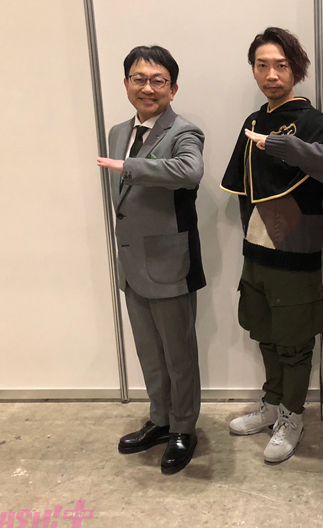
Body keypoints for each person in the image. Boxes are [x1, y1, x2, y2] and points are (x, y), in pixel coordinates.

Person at [221, 27, 323, 464]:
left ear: (296, 69)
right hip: (256, 250)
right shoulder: (253, 121)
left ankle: (293, 415)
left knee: (295, 340)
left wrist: (284, 146)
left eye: (281, 65)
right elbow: (242, 188)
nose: (271, 75)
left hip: (295, 250)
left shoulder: (311, 120)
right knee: (265, 332)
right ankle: (272, 404)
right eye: (262, 65)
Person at [97, 45, 205, 475]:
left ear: (172, 88)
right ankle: (160, 420)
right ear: (126, 84)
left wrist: (131, 166)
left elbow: (189, 171)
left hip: (169, 262)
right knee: (149, 353)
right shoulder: (118, 132)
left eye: (158, 80)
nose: (147, 87)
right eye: (138, 79)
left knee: (179, 355)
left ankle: (184, 429)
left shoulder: (184, 131)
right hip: (131, 263)